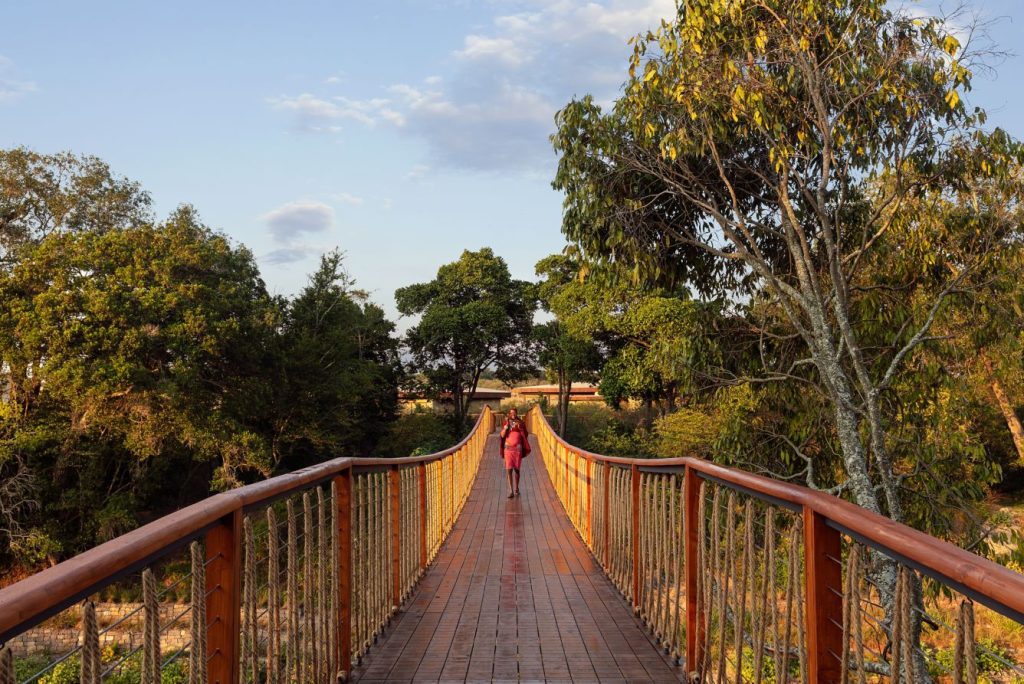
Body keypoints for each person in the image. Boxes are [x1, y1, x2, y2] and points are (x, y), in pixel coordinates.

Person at [499, 408, 530, 498]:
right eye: (511, 413)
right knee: (509, 469)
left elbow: (526, 434)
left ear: (517, 413)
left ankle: (516, 488)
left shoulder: (521, 423)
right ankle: (511, 491)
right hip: (508, 449)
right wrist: (506, 428)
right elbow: (502, 435)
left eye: (514, 412)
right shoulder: (506, 422)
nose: (513, 414)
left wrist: (520, 429)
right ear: (509, 414)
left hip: (517, 450)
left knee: (516, 469)